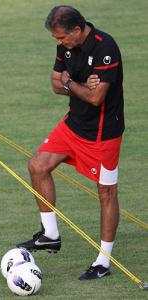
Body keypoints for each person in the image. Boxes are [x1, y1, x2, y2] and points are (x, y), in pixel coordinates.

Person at [17, 5, 124, 280]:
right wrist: (74, 83)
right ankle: (50, 234)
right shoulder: (65, 45)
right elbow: (55, 83)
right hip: (72, 125)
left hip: (102, 134)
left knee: (106, 193)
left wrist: (69, 82)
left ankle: (104, 260)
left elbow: (96, 98)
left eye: (62, 37)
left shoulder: (105, 47)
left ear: (77, 30)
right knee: (37, 165)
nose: (59, 43)